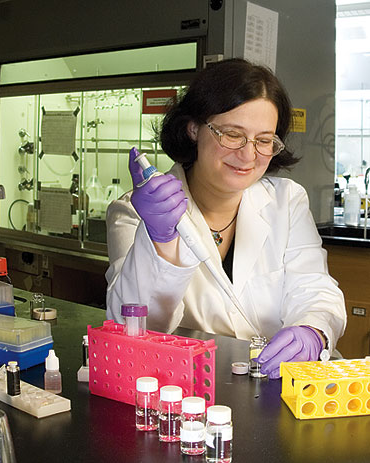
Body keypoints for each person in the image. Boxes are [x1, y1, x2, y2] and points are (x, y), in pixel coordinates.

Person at [105, 58, 346, 379]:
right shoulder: (135, 213)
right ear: (193, 129)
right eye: (232, 134)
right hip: (195, 388)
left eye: (263, 140)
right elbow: (130, 325)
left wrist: (313, 331)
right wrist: (159, 243)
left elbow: (316, 289)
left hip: (280, 386)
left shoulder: (286, 200)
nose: (248, 155)